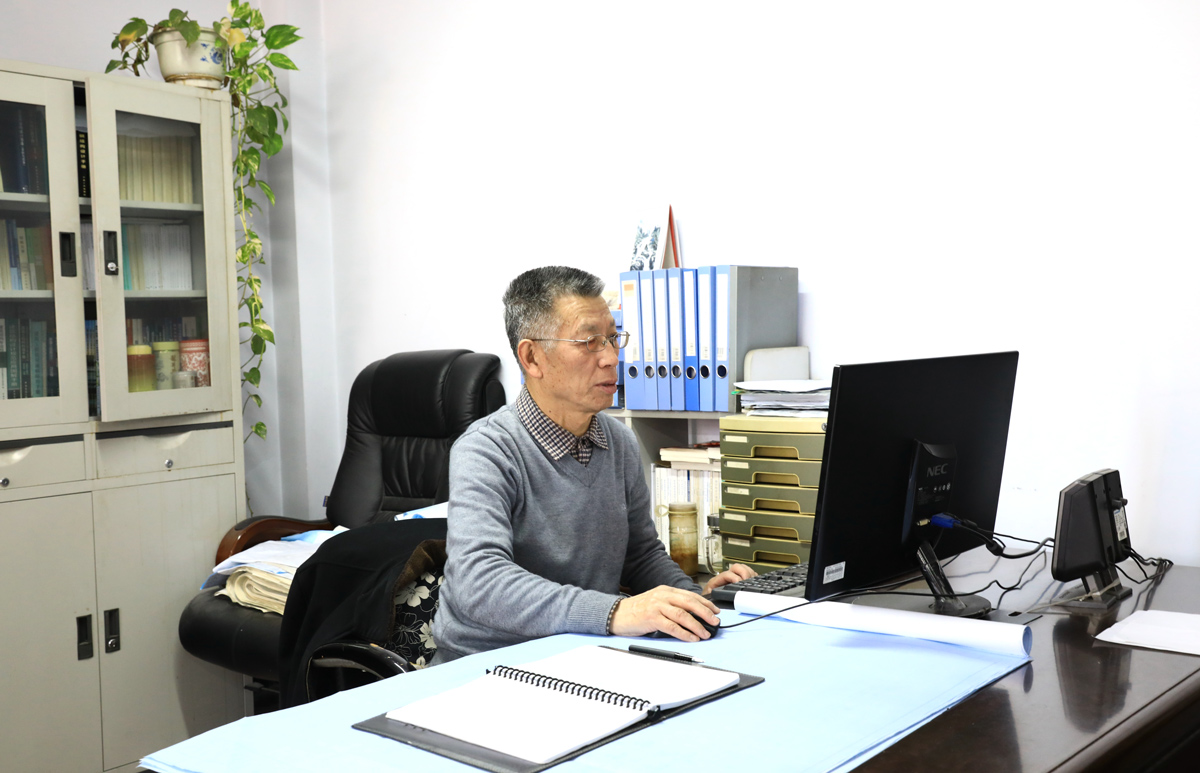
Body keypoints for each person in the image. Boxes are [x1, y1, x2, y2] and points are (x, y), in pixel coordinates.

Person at [431, 266, 756, 664]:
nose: (611, 358)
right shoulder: (487, 450)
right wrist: (615, 612)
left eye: (613, 339)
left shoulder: (618, 441)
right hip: (488, 661)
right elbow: (478, 583)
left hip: (583, 652)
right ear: (532, 357)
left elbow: (640, 556)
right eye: (589, 342)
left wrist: (695, 601)